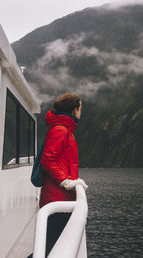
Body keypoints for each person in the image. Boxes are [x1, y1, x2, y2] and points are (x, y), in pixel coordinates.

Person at [39, 93, 88, 256]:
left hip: (61, 196)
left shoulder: (65, 130)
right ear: (74, 110)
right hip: (57, 197)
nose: (81, 112)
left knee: (53, 245)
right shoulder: (60, 130)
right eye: (80, 108)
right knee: (50, 248)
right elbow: (47, 160)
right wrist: (66, 182)